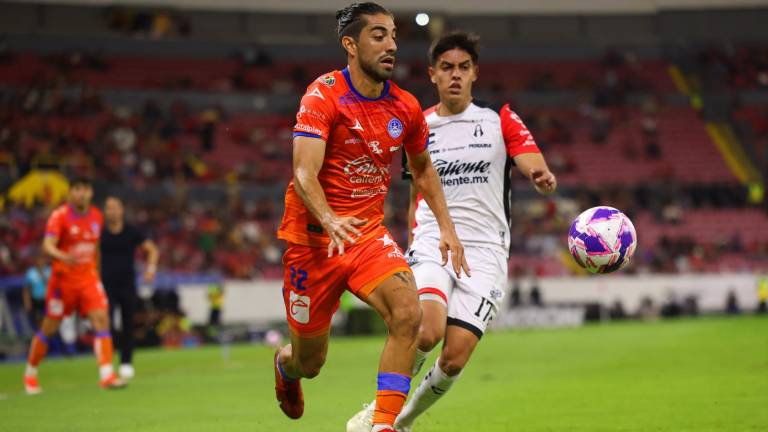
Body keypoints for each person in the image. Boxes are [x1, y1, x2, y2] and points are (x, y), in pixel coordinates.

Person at [348, 31, 557, 432]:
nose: (455, 75)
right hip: (433, 243)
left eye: (463, 67)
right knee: (425, 331)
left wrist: (540, 175)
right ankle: (383, 414)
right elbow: (417, 189)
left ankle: (403, 420)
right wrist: (413, 243)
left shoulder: (499, 119)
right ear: (433, 75)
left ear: (475, 73)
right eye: (447, 68)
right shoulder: (419, 125)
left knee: (454, 357)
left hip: (486, 253)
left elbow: (530, 159)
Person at [274, 4, 468, 431]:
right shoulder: (322, 95)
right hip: (312, 244)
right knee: (311, 362)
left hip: (364, 237)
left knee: (408, 312)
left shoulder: (405, 107)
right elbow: (304, 172)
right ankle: (287, 367)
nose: (392, 45)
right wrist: (328, 218)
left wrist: (448, 228)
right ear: (350, 44)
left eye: (393, 36)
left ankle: (382, 424)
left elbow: (421, 169)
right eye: (378, 35)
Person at [23, 177, 126, 394]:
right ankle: (30, 373)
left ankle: (107, 374)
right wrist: (62, 255)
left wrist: (96, 275)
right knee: (49, 328)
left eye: (85, 189)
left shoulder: (97, 216)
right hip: (63, 282)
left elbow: (95, 248)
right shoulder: (59, 216)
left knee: (102, 319)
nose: (81, 193)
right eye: (76, 190)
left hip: (88, 278)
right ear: (70, 193)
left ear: (90, 192)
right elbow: (47, 245)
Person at [100, 195, 159, 380]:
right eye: (109, 208)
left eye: (116, 207)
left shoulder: (131, 232)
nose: (113, 211)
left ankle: (126, 362)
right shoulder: (99, 233)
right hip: (105, 285)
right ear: (105, 211)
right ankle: (106, 363)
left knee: (128, 324)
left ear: (122, 210)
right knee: (105, 324)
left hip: (127, 285)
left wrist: (150, 269)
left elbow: (152, 250)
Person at [23, 255, 50, 330]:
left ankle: (49, 336)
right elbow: (27, 289)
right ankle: (40, 336)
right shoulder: (31, 273)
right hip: (36, 300)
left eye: (42, 260)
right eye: (39, 260)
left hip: (48, 299)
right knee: (38, 318)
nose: (41, 262)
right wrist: (27, 302)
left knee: (48, 319)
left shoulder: (50, 271)